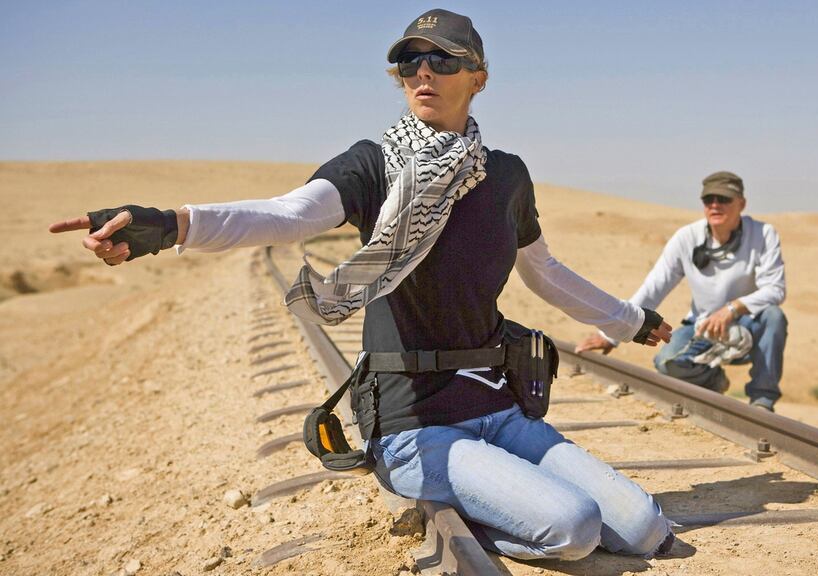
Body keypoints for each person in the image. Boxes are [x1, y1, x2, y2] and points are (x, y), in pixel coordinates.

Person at [49, 9, 679, 561]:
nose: (422, 72)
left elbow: (545, 272)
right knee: (574, 526)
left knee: (645, 528)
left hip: (498, 406)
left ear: (479, 78)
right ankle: (487, 507)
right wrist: (171, 225)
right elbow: (287, 214)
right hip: (415, 422)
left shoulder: (506, 177)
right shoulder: (373, 165)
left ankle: (515, 498)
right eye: (408, 63)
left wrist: (634, 321)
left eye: (442, 60)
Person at [576, 171, 788, 412]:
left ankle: (763, 402)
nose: (715, 205)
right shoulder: (687, 238)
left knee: (774, 316)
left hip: (750, 325)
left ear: (742, 204)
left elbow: (776, 289)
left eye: (724, 198)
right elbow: (655, 287)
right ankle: (714, 380)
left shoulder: (763, 234)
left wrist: (732, 308)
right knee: (666, 362)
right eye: (709, 199)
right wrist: (612, 333)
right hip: (704, 326)